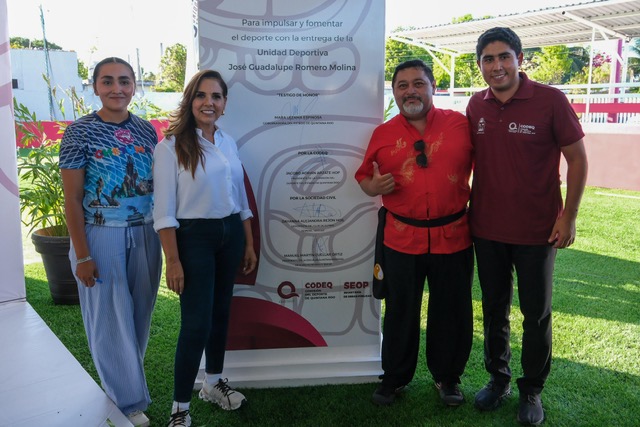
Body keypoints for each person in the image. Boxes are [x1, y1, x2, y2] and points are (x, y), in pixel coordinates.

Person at [466, 27, 588, 426]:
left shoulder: (551, 100)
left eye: (504, 56)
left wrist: (568, 215)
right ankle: (498, 379)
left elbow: (577, 159)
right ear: (480, 64)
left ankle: (532, 389)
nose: (496, 66)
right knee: (494, 309)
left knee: (536, 315)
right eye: (488, 59)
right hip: (486, 228)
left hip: (538, 231)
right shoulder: (476, 105)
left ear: (519, 59)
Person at [355, 59, 474, 407]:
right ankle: (394, 377)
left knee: (451, 309)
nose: (411, 91)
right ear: (394, 92)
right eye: (402, 85)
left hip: (453, 235)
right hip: (401, 238)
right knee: (400, 310)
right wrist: (373, 186)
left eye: (418, 83)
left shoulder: (460, 125)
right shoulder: (383, 134)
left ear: (433, 86)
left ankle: (448, 378)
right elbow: (364, 177)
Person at [60, 57, 162, 427]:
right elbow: (72, 199)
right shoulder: (79, 132)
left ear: (134, 85)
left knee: (139, 313)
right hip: (101, 234)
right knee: (108, 316)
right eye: (107, 81)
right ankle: (127, 402)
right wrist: (82, 255)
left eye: (124, 80)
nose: (117, 88)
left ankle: (123, 381)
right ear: (95, 87)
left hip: (146, 232)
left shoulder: (147, 131)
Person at [153, 69, 257, 427]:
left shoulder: (227, 142)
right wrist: (173, 261)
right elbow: (164, 212)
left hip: (230, 234)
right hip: (193, 238)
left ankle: (213, 384)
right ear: (190, 100)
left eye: (216, 96)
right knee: (196, 323)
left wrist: (248, 242)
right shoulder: (169, 148)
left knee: (221, 314)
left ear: (224, 104)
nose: (208, 102)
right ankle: (179, 409)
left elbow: (240, 198)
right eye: (201, 95)